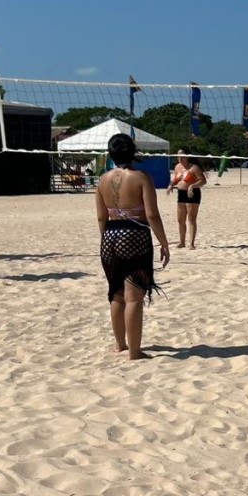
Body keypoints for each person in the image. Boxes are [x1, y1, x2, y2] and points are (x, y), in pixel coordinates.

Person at [97, 133, 171, 359]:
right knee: (134, 296)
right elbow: (152, 214)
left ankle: (120, 344)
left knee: (116, 293)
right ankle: (135, 351)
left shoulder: (103, 179)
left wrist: (105, 239)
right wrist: (164, 243)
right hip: (134, 233)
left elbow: (101, 216)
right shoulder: (141, 177)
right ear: (133, 151)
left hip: (110, 234)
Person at [166, 149, 205, 249]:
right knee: (180, 219)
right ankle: (182, 242)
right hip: (181, 193)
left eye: (183, 156)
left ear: (187, 156)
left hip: (192, 193)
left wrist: (192, 186)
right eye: (179, 156)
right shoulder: (177, 167)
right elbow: (176, 179)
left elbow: (202, 180)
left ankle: (191, 243)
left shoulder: (194, 168)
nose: (180, 158)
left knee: (191, 219)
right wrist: (171, 185)